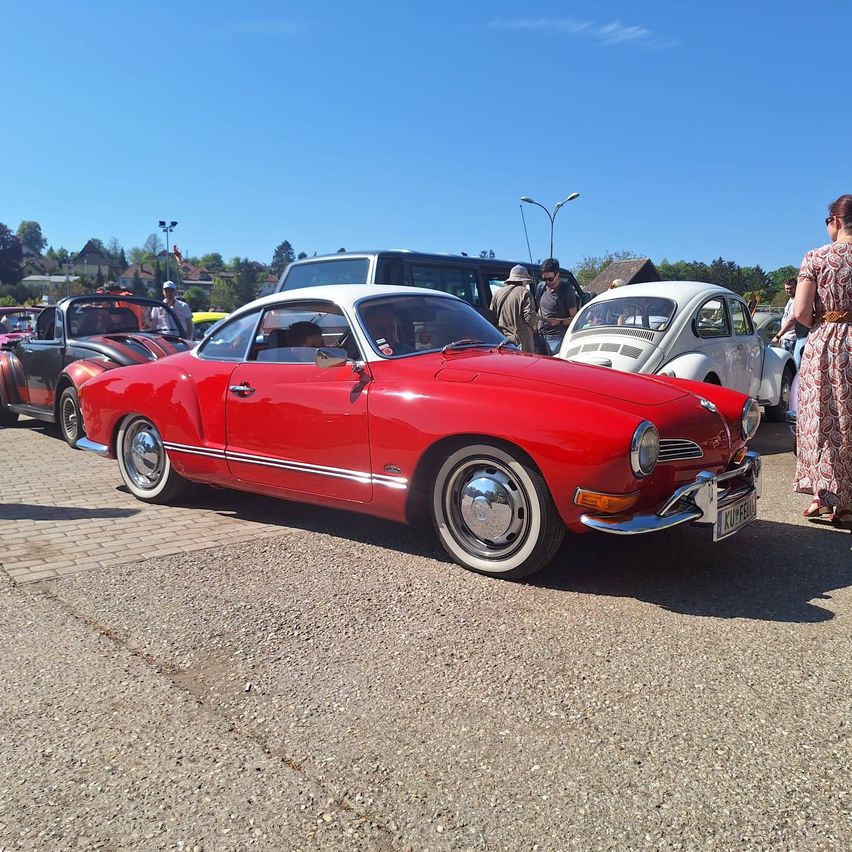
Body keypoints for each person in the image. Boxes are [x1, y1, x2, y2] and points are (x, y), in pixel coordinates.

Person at [793, 194, 852, 530]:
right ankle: (841, 499)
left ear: (836, 221)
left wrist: (823, 319)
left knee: (823, 415)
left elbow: (801, 311)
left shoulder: (816, 258)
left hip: (827, 341)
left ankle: (826, 492)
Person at [489, 264, 537, 353]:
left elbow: (492, 317)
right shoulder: (525, 292)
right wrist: (535, 325)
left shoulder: (497, 293)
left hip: (502, 340)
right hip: (521, 341)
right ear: (523, 281)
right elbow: (530, 318)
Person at [536, 258, 577, 355]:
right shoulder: (541, 287)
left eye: (550, 279)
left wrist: (558, 321)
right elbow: (540, 309)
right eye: (544, 279)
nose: (547, 282)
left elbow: (574, 318)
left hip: (556, 338)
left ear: (557, 274)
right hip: (539, 336)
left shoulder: (566, 290)